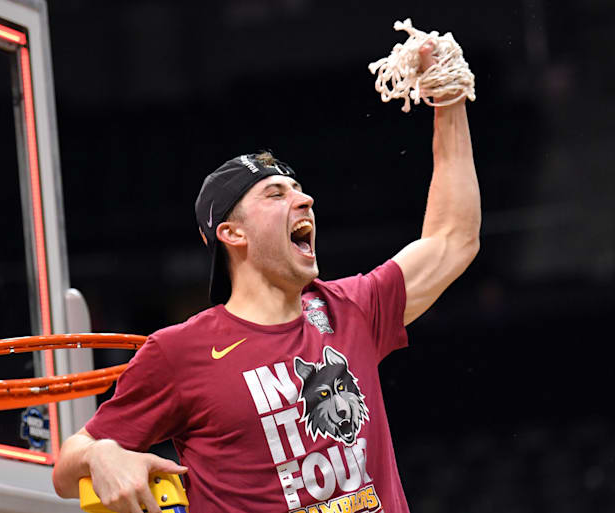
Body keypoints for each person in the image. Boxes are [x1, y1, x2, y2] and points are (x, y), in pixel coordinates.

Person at [53, 42, 480, 513]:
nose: (305, 200)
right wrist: (100, 452)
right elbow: (66, 467)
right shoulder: (179, 352)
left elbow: (452, 240)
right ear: (232, 233)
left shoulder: (349, 308)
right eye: (275, 194)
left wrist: (450, 100)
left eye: (300, 190)